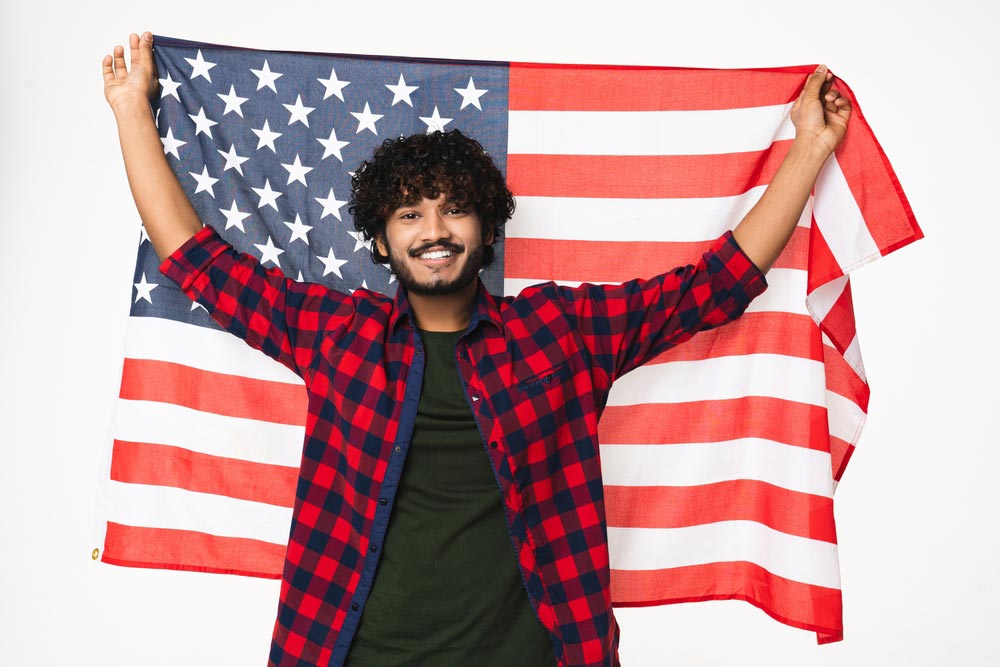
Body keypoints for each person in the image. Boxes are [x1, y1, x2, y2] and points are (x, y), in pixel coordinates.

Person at [102, 31, 851, 667]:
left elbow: (717, 284)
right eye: (410, 213)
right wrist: (131, 112)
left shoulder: (560, 331)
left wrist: (811, 146)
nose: (434, 229)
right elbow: (196, 259)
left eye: (455, 208)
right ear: (383, 239)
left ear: (486, 227)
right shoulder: (336, 333)